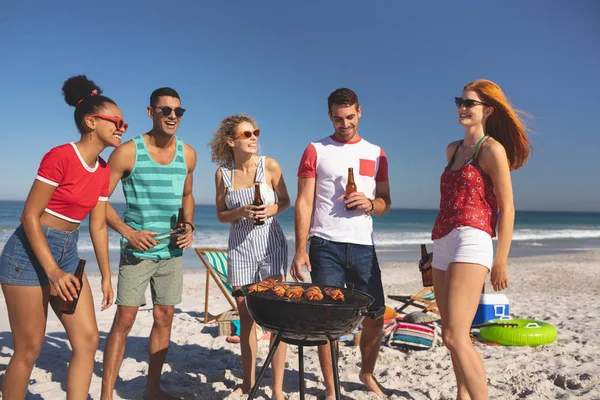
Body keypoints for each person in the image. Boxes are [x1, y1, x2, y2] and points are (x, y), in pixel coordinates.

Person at [0, 75, 123, 399]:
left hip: (67, 253)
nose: (122, 127)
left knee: (87, 340)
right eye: (116, 121)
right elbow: (29, 216)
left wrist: (106, 277)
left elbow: (97, 225)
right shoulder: (60, 156)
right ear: (91, 121)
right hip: (28, 255)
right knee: (29, 348)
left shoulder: (104, 169)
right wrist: (52, 272)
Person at [431, 79, 532, 399]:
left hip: (473, 239)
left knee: (456, 335)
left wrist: (500, 259)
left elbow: (508, 207)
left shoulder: (491, 150)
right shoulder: (451, 150)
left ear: (487, 110)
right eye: (460, 101)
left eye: (470, 103)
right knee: (450, 338)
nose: (462, 107)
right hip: (443, 241)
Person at [291, 88, 391, 399]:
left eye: (349, 117)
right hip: (325, 245)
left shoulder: (377, 153)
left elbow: (386, 201)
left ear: (359, 112)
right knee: (327, 321)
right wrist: (300, 249)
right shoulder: (315, 149)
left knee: (375, 317)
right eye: (337, 118)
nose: (344, 124)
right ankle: (332, 389)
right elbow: (304, 202)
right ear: (330, 116)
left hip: (363, 247)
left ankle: (366, 372)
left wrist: (370, 203)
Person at [100, 87, 197, 400]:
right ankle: (105, 394)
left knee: (164, 317)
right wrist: (128, 233)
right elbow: (98, 201)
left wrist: (190, 225)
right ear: (150, 112)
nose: (172, 116)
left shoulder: (188, 154)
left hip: (171, 252)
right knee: (124, 321)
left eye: (177, 112)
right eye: (165, 110)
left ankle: (152, 390)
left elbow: (186, 196)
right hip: (136, 253)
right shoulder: (128, 152)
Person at [209, 114, 290, 399]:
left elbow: (285, 201)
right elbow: (220, 215)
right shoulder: (223, 175)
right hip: (240, 250)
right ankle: (248, 381)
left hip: (271, 247)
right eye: (246, 134)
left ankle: (278, 390)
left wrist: (269, 210)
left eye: (255, 132)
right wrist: (240, 212)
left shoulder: (270, 165)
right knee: (247, 319)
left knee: (277, 319)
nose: (253, 137)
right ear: (231, 141)